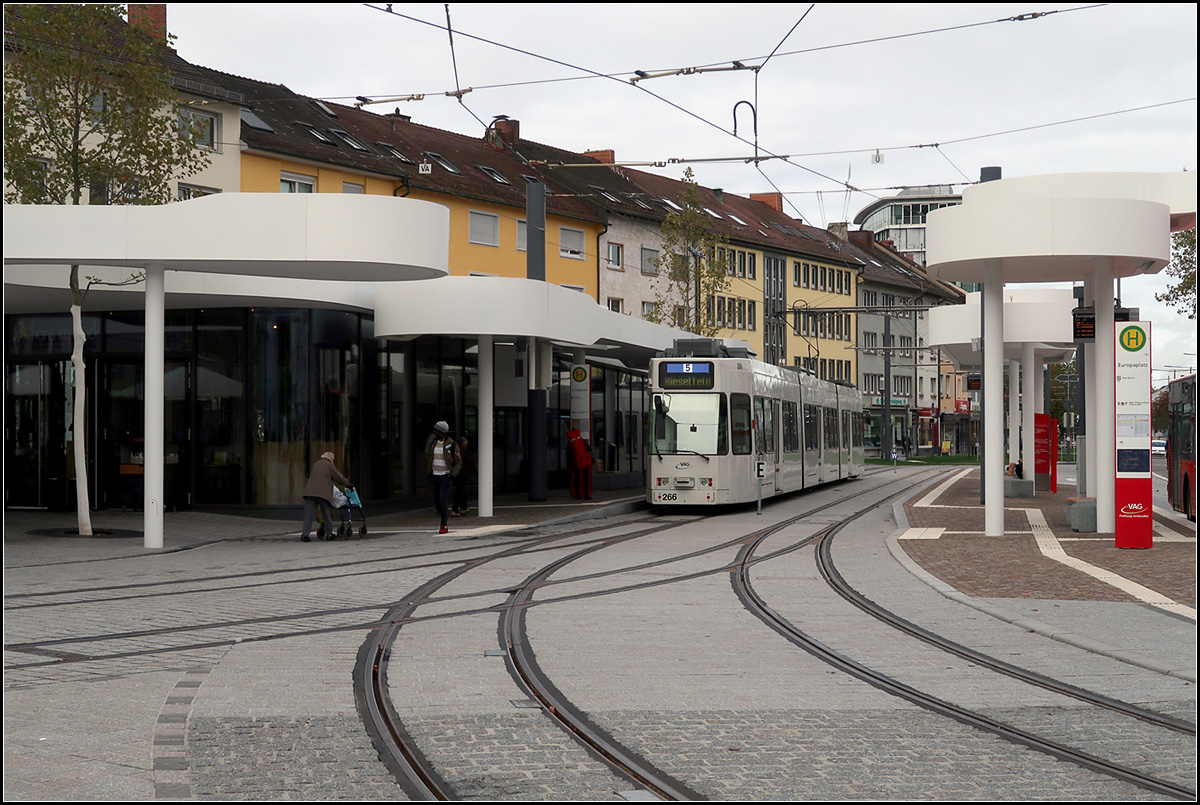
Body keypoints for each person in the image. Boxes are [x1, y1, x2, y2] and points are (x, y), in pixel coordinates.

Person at [301, 451, 350, 542]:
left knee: (309, 515)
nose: (333, 462)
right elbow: (338, 477)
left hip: (310, 492)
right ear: (330, 459)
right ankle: (329, 534)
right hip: (323, 493)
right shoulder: (329, 465)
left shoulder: (316, 464)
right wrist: (348, 484)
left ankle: (305, 535)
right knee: (326, 514)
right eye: (333, 460)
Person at [425, 420, 460, 534]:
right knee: (435, 500)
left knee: (443, 499)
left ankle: (443, 525)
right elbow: (427, 456)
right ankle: (443, 513)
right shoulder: (433, 443)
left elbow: (458, 462)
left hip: (445, 476)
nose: (434, 431)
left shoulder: (452, 444)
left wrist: (452, 475)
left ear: (442, 431)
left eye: (436, 430)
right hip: (434, 475)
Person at [452, 436, 476, 516]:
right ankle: (454, 509)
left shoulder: (453, 451)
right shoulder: (464, 452)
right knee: (459, 491)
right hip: (462, 473)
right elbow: (470, 463)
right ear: (464, 444)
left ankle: (464, 507)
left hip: (454, 474)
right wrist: (477, 474)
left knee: (461, 490)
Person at [567, 428, 593, 500]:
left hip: (576, 463)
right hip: (585, 462)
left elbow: (569, 455)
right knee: (585, 479)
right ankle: (586, 495)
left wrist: (569, 466)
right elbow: (589, 449)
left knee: (577, 479)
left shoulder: (571, 442)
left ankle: (578, 495)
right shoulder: (581, 440)